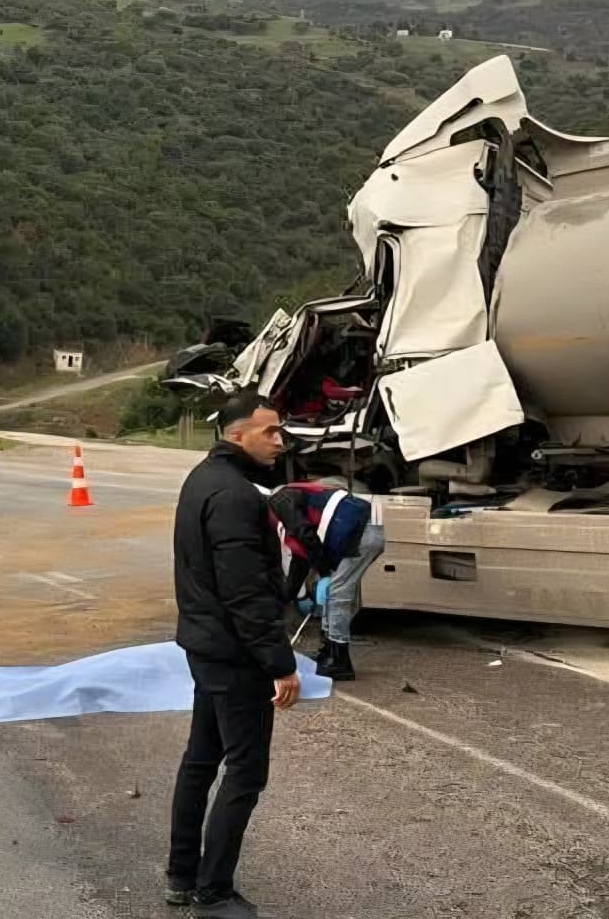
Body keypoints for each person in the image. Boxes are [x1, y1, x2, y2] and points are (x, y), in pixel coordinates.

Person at [167, 392, 300, 919]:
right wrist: (280, 663)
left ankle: (182, 875)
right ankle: (213, 892)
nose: (280, 442)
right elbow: (246, 595)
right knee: (245, 772)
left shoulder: (201, 479)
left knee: (201, 760)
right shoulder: (236, 496)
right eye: (270, 432)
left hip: (206, 647)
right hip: (236, 655)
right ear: (237, 434)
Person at [268, 481, 386, 680]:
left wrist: (323, 571)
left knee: (338, 594)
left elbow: (305, 534)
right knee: (335, 592)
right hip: (354, 530)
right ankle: (329, 651)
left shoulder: (280, 501)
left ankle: (340, 662)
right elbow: (301, 560)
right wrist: (286, 597)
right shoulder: (282, 511)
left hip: (359, 531)